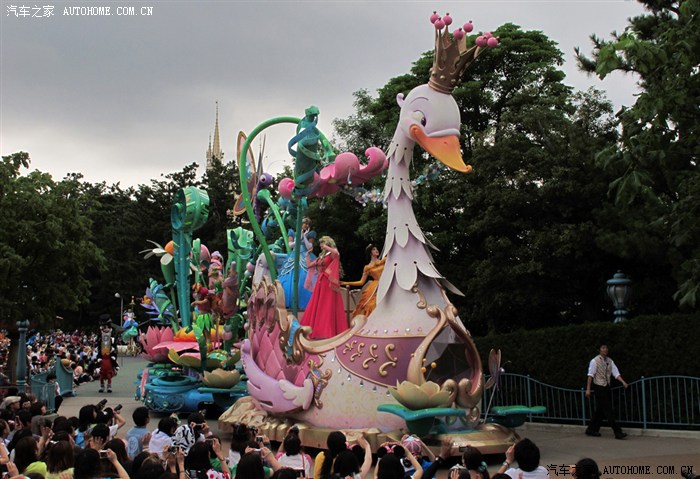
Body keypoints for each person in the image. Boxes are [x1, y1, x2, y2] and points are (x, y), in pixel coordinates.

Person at [301, 236, 347, 339]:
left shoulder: (332, 254)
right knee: (318, 305)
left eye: (322, 243)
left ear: (327, 243)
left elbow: (336, 253)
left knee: (327, 305)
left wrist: (327, 247)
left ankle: (327, 330)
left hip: (328, 283)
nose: (321, 245)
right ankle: (316, 329)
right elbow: (309, 265)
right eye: (321, 244)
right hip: (320, 283)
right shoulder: (322, 256)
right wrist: (307, 255)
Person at [585, 343, 629, 439]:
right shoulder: (594, 361)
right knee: (608, 410)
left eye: (606, 348)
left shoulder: (610, 361)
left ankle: (591, 429)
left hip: (606, 387)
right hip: (599, 387)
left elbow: (616, 373)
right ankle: (617, 432)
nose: (605, 349)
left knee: (600, 410)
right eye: (603, 348)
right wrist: (588, 389)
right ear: (599, 350)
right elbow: (590, 375)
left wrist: (623, 382)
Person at [278, 217, 317, 310]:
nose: (306, 225)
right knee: (289, 277)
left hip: (305, 256)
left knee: (305, 277)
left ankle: (307, 303)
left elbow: (310, 247)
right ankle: (289, 301)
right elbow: (290, 245)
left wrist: (305, 236)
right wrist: (300, 236)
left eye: (308, 224)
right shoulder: (292, 232)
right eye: (304, 223)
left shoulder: (310, 234)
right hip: (294, 256)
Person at [341, 243, 386, 318]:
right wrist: (346, 282)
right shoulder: (367, 267)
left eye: (376, 249)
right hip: (375, 286)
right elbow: (361, 282)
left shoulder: (384, 260)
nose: (377, 250)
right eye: (374, 249)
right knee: (371, 304)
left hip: (386, 283)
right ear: (370, 253)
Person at [97, 314, 119, 394]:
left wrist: (113, 350)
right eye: (103, 326)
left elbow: (115, 343)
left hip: (109, 355)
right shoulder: (100, 332)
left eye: (106, 326)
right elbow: (98, 344)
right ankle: (102, 386)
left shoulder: (112, 332)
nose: (105, 328)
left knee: (109, 374)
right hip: (102, 354)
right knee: (101, 374)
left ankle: (109, 386)